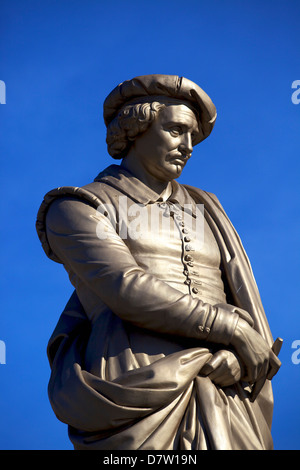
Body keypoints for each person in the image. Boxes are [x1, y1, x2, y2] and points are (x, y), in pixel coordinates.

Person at [36, 74, 281, 450]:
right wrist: (232, 331)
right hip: (137, 380)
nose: (188, 146)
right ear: (136, 127)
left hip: (226, 390)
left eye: (193, 137)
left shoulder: (209, 207)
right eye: (176, 131)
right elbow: (125, 286)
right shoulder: (76, 207)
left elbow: (242, 293)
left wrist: (244, 358)